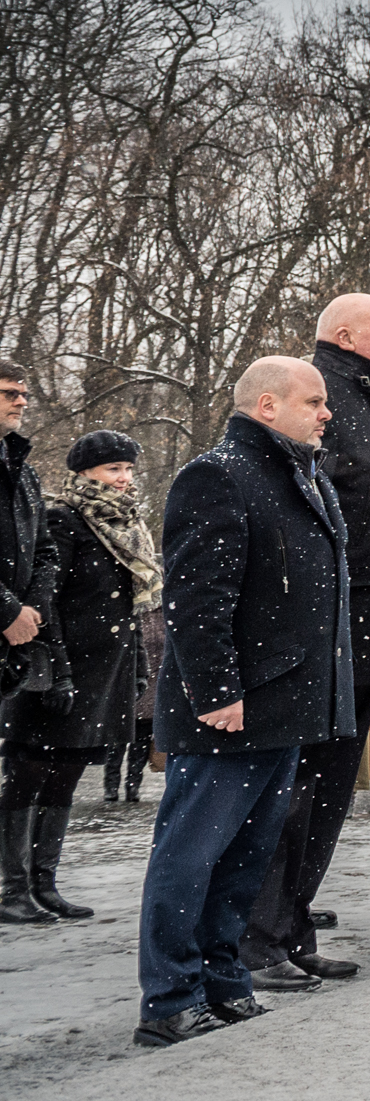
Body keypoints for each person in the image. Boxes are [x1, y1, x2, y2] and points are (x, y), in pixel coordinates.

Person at [135, 358, 354, 1048]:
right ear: (267, 405)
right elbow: (198, 601)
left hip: (283, 708)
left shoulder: (302, 476)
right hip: (231, 709)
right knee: (191, 856)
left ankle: (224, 983)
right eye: (313, 402)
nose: (326, 413)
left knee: (243, 861)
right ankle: (170, 998)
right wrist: (216, 691)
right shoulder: (219, 474)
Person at [242, 294, 370, 985]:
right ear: (345, 335)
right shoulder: (319, 399)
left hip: (364, 635)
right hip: (324, 635)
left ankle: (291, 926)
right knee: (295, 792)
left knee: (328, 795)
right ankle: (256, 938)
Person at [1, 430, 158, 922]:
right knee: (28, 774)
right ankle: (12, 889)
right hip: (54, 672)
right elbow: (48, 602)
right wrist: (60, 673)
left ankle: (45, 883)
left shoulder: (126, 527)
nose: (124, 478)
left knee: (65, 777)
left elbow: (131, 609)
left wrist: (137, 670)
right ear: (86, 472)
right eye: (114, 469)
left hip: (102, 675)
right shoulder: (63, 519)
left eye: (128, 469)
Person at [0, 365, 60, 751]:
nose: (22, 401)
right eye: (9, 393)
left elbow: (45, 551)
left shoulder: (24, 472)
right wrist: (7, 612)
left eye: (24, 394)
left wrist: (31, 610)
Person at [105, 604, 163, 804]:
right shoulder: (131, 612)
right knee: (118, 744)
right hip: (128, 688)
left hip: (150, 690)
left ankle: (132, 787)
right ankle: (112, 786)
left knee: (139, 744)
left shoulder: (163, 614)